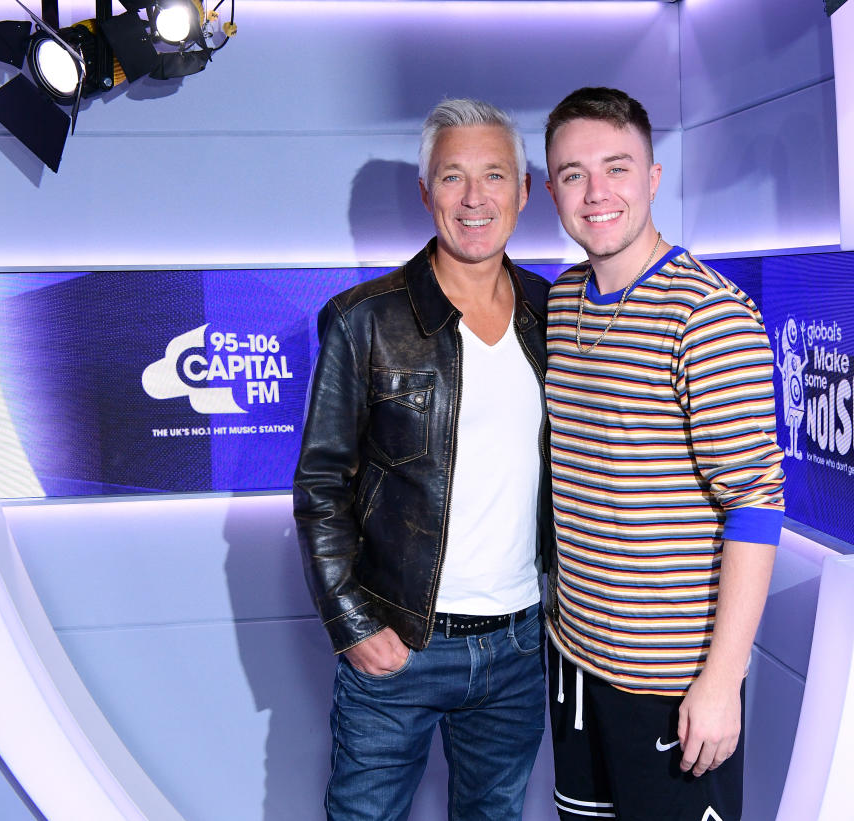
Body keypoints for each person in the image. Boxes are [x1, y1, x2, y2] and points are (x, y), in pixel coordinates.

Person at [294, 98, 551, 821]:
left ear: (525, 191)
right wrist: (355, 624)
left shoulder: (553, 312)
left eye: (495, 175)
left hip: (519, 643)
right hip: (402, 639)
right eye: (453, 177)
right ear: (425, 192)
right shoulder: (362, 319)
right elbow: (320, 485)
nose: (475, 198)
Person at [541, 86, 785, 821]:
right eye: (573, 173)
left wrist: (720, 680)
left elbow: (754, 505)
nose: (596, 192)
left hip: (673, 684)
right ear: (551, 189)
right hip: (576, 660)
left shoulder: (707, 313)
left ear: (652, 177)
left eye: (617, 167)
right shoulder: (562, 300)